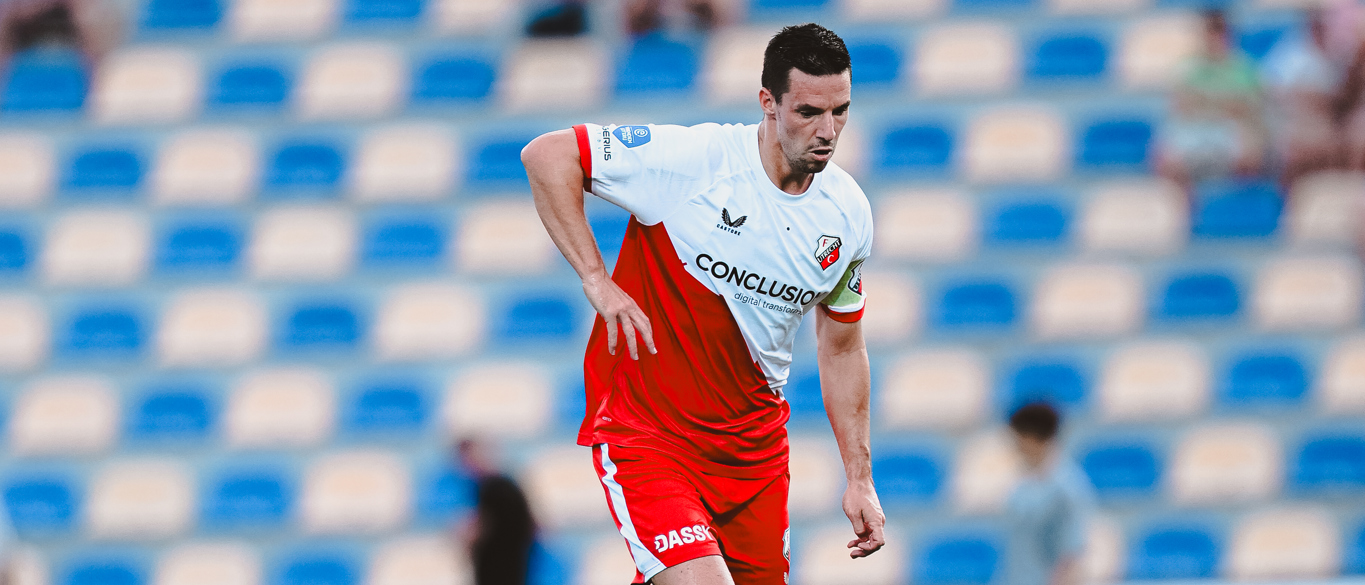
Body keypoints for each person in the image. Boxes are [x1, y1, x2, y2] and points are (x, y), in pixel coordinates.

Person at [521, 22, 884, 585]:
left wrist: (859, 478)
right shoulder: (693, 161)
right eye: (809, 112)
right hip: (651, 438)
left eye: (841, 111)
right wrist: (596, 278)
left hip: (754, 458)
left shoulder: (848, 215)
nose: (828, 131)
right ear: (768, 102)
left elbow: (841, 348)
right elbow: (548, 155)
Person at [1156, 9, 1267, 197]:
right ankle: (1183, 208)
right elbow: (1182, 106)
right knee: (1166, 160)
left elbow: (1247, 110)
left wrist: (1206, 103)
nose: (1213, 39)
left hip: (1232, 131)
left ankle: (1235, 204)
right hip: (1194, 131)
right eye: (1209, 32)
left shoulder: (1244, 69)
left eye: (1218, 32)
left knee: (1250, 157)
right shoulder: (1187, 68)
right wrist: (1222, 104)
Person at [1004, 403, 1095, 585]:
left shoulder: (1067, 487)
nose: (1014, 446)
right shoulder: (1024, 483)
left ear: (1031, 438)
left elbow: (1071, 555)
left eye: (1017, 438)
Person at [1261, 10, 1345, 189]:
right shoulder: (1291, 55)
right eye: (1319, 27)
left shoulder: (1335, 58)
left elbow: (1338, 98)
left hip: (1324, 123)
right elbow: (1274, 91)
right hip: (1292, 121)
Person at [456, 439, 537, 585]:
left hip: (500, 564)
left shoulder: (494, 489)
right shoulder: (500, 486)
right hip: (509, 562)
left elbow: (479, 529)